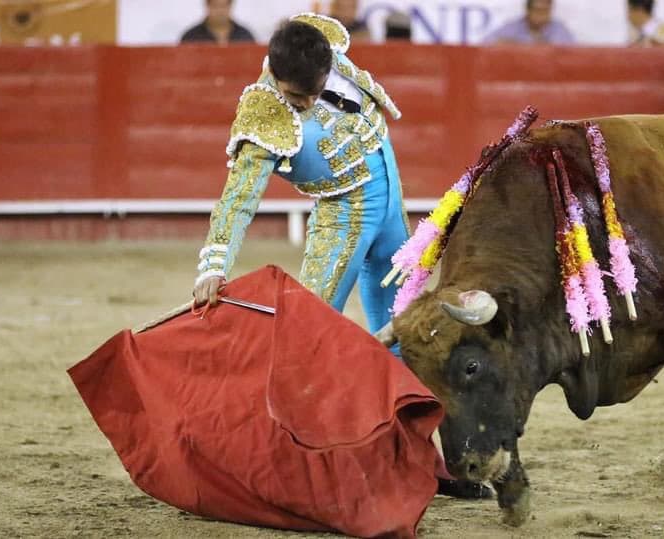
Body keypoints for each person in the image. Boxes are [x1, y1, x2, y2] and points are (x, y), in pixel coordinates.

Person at [191, 13, 490, 500]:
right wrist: (214, 263)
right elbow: (238, 196)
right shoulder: (264, 112)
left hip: (393, 210)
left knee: (406, 337)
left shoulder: (326, 43)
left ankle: (421, 466)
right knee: (306, 343)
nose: (305, 104)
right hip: (343, 220)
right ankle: (289, 468)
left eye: (312, 92)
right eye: (296, 98)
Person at [484, 0, 575, 45]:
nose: (541, 15)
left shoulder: (559, 29)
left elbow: (569, 52)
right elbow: (486, 43)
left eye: (545, 11)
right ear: (528, 11)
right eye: (538, 11)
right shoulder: (512, 27)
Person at [180, 0, 255, 45]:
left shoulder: (245, 36)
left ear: (230, 5)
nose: (220, 11)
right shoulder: (191, 37)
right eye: (215, 6)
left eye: (224, 6)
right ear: (207, 5)